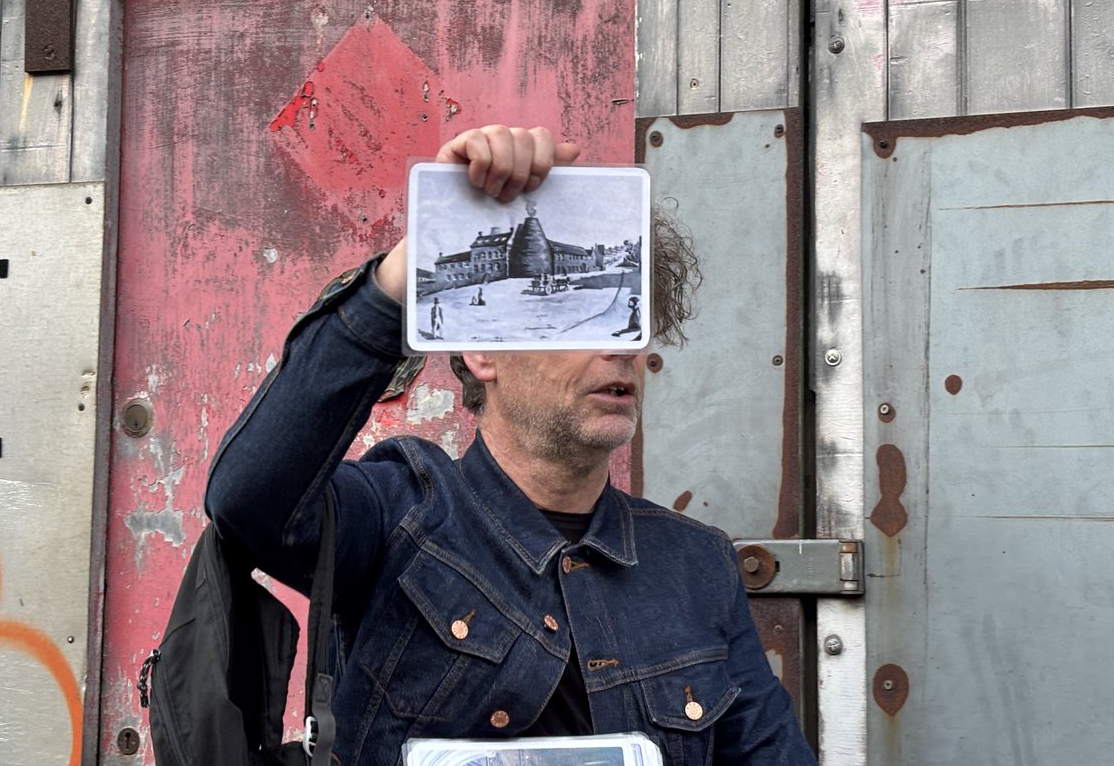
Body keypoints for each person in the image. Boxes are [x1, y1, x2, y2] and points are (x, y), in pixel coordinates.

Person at [205, 125, 815, 765]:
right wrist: (430, 243)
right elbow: (247, 499)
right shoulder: (396, 517)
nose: (621, 349)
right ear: (483, 351)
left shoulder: (695, 564)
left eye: (630, 320)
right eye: (577, 319)